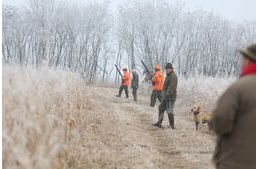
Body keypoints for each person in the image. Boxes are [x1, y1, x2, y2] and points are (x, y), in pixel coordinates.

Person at [211, 44, 256, 169]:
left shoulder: (239, 87)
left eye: (243, 59)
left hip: (238, 162)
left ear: (248, 60)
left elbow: (221, 120)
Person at [153, 63, 178, 129]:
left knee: (169, 111)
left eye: (168, 69)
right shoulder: (168, 76)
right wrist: (163, 94)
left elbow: (171, 88)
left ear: (171, 69)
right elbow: (164, 87)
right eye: (166, 69)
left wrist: (166, 95)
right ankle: (159, 123)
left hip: (170, 97)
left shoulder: (173, 76)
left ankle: (172, 126)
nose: (166, 70)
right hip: (165, 97)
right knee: (161, 108)